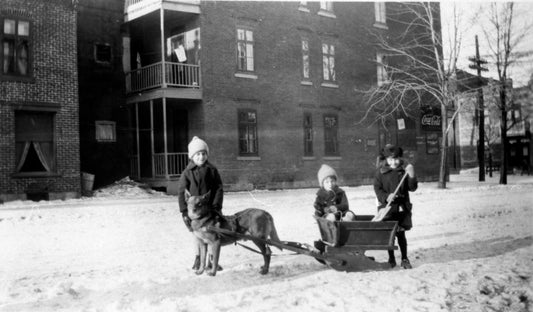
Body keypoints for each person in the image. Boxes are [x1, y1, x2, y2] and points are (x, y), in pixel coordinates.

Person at [178, 136, 224, 271]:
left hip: (210, 210)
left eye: (203, 154)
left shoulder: (212, 170)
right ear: (192, 156)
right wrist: (184, 211)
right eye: (198, 154)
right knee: (196, 234)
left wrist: (216, 205)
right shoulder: (187, 172)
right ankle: (198, 257)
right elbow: (181, 192)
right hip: (193, 212)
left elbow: (218, 188)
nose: (201, 157)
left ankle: (211, 259)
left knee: (211, 234)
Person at [373, 145, 417, 269]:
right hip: (387, 209)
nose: (393, 162)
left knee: (401, 235)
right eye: (390, 159)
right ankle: (391, 258)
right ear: (386, 159)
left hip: (401, 208)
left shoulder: (404, 171)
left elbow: (412, 188)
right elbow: (377, 189)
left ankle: (404, 258)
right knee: (390, 235)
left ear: (400, 158)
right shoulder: (380, 173)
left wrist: (412, 176)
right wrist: (386, 197)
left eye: (396, 159)